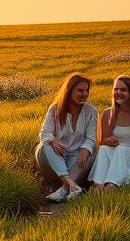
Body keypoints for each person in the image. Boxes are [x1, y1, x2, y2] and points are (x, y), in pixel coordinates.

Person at [35, 73, 97, 202]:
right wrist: (52, 140)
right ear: (69, 90)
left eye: (87, 90)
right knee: (43, 146)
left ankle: (65, 189)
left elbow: (91, 137)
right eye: (80, 90)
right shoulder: (55, 109)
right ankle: (71, 184)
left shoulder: (91, 111)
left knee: (93, 153)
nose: (85, 94)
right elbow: (45, 133)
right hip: (58, 156)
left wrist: (85, 149)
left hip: (77, 158)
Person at [89, 75, 130, 189]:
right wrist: (108, 141)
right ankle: (98, 183)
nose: (118, 92)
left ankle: (112, 184)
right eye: (116, 89)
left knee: (121, 149)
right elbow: (101, 142)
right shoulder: (107, 114)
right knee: (104, 149)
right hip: (115, 154)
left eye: (123, 90)